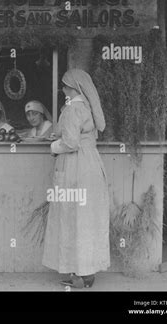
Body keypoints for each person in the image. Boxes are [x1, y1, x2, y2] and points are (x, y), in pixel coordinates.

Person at [42, 69, 110, 288]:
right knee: (87, 219)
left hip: (75, 166)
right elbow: (81, 135)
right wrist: (62, 134)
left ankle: (79, 274)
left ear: (73, 88)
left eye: (64, 86)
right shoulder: (86, 107)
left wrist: (53, 146)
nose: (62, 90)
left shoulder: (72, 109)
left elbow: (71, 143)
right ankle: (87, 272)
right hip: (91, 164)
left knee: (73, 219)